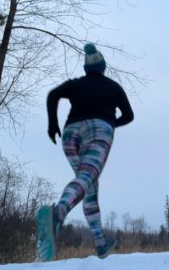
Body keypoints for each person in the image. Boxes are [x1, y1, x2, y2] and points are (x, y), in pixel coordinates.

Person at [41, 43, 134, 260]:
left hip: (71, 134)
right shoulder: (113, 87)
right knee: (87, 178)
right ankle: (57, 213)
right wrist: (110, 123)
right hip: (99, 131)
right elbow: (129, 115)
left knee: (88, 183)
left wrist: (52, 124)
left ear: (86, 69)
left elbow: (53, 95)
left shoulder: (77, 84)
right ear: (103, 67)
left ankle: (101, 242)